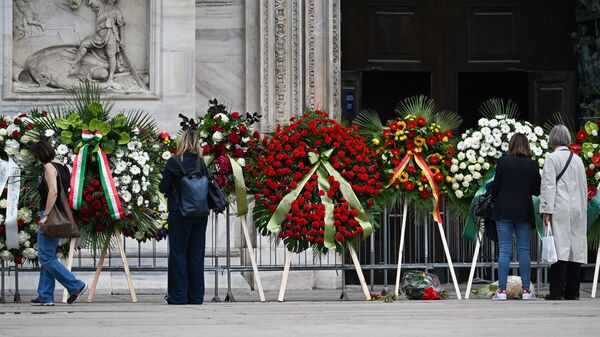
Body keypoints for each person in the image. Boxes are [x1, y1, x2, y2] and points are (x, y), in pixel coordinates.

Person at [30, 140, 87, 306]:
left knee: (46, 257)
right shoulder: (62, 166)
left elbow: (53, 192)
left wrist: (45, 215)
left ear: (41, 154)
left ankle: (75, 285)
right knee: (48, 255)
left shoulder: (48, 166)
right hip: (59, 215)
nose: (36, 159)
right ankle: (45, 295)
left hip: (50, 215)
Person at [159, 131, 209, 305]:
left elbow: (163, 187)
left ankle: (179, 295)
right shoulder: (200, 163)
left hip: (179, 213)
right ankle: (196, 296)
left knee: (178, 254)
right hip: (200, 214)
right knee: (196, 255)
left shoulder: (174, 162)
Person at [490, 133, 541, 301]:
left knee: (504, 250)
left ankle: (502, 292)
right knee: (524, 250)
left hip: (504, 209)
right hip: (524, 211)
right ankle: (526, 291)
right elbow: (536, 189)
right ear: (527, 146)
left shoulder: (503, 162)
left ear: (510, 145)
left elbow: (495, 187)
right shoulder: (532, 165)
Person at [540, 125, 588, 300]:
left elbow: (549, 185)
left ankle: (557, 291)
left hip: (559, 206)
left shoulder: (551, 158)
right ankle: (573, 291)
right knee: (575, 247)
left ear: (552, 138)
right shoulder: (578, 159)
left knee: (559, 248)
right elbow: (583, 186)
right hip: (577, 206)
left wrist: (546, 209)